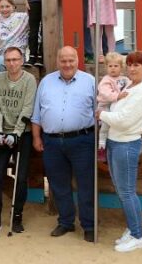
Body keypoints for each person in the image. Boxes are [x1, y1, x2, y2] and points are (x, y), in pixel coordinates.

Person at [31, 46, 96, 242]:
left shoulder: (90, 81)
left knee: (86, 185)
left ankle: (89, 225)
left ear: (78, 60)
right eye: (63, 60)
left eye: (71, 60)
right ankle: (66, 222)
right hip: (51, 142)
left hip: (83, 140)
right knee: (59, 185)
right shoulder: (46, 82)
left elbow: (100, 112)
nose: (67, 64)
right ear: (58, 61)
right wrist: (36, 137)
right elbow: (36, 114)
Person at [97, 51, 142, 252]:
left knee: (127, 192)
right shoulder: (130, 84)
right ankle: (134, 229)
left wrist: (101, 114)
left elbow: (123, 119)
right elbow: (116, 109)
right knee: (123, 191)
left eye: (137, 65)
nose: (132, 68)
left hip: (126, 144)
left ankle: (138, 236)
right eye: (129, 65)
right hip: (115, 141)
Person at [0, 47, 37, 235]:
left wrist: (16, 134)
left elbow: (27, 108)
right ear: (4, 62)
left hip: (22, 134)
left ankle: (17, 215)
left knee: (20, 178)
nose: (12, 63)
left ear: (22, 60)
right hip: (0, 131)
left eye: (15, 59)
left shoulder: (29, 80)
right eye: (8, 60)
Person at [96, 52, 130, 161]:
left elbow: (130, 88)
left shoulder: (125, 79)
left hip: (117, 106)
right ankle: (101, 148)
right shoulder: (106, 80)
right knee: (105, 127)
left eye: (116, 66)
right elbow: (105, 93)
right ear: (106, 67)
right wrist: (118, 96)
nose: (113, 68)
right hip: (105, 106)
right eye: (110, 66)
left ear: (121, 67)